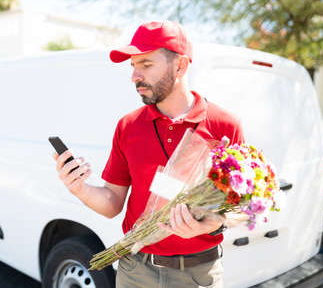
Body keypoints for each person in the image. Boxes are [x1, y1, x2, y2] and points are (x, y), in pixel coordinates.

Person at [53, 20, 245, 288]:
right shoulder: (128, 126)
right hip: (136, 272)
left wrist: (213, 223)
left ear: (180, 66)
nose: (134, 76)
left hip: (199, 275)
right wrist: (79, 188)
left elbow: (242, 207)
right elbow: (112, 204)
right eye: (133, 66)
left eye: (146, 65)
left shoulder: (224, 125)